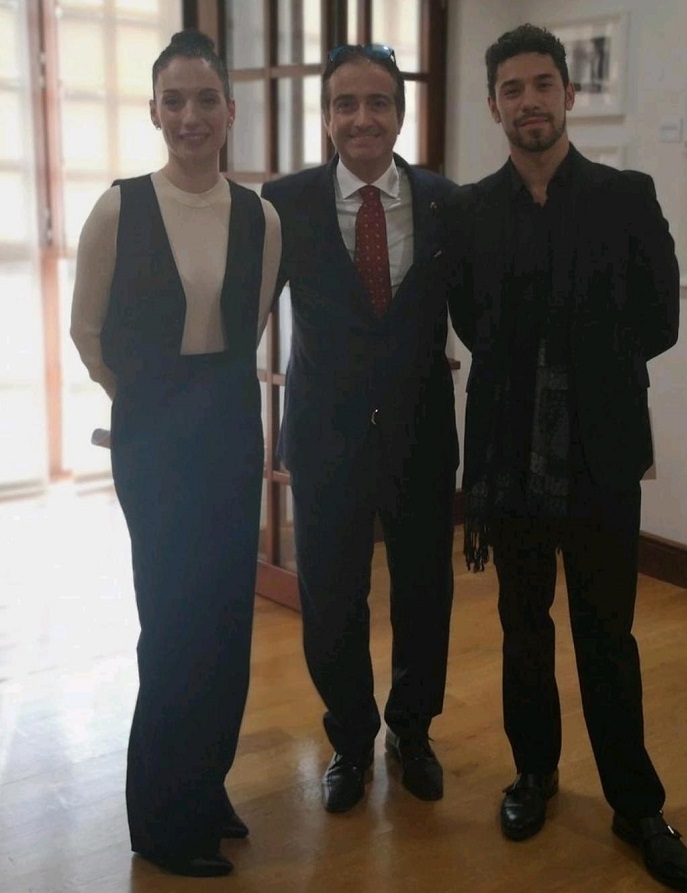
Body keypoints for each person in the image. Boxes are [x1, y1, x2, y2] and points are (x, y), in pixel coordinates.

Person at [443, 24, 687, 893]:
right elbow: (472, 320)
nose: (528, 102)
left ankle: (635, 803)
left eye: (542, 84)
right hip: (507, 458)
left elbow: (659, 318)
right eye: (510, 89)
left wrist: (571, 354)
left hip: (599, 455)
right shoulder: (472, 210)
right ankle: (533, 773)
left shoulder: (625, 195)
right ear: (492, 107)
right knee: (523, 630)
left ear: (567, 95)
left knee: (607, 637)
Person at [70, 30, 281, 878]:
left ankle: (207, 785)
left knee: (229, 620)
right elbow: (87, 332)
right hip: (154, 435)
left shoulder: (260, 216)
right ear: (156, 111)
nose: (190, 115)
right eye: (174, 100)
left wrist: (199, 402)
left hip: (230, 423)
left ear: (229, 111)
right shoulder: (121, 207)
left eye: (205, 99)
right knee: (173, 626)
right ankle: (161, 817)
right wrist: (146, 402)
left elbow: (252, 320)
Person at [261, 44, 457, 813]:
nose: (361, 118)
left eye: (377, 102)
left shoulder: (446, 201)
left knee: (423, 593)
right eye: (345, 103)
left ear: (400, 113)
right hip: (325, 438)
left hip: (419, 436)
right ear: (328, 117)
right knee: (333, 600)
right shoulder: (286, 200)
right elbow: (244, 307)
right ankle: (348, 739)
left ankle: (412, 732)